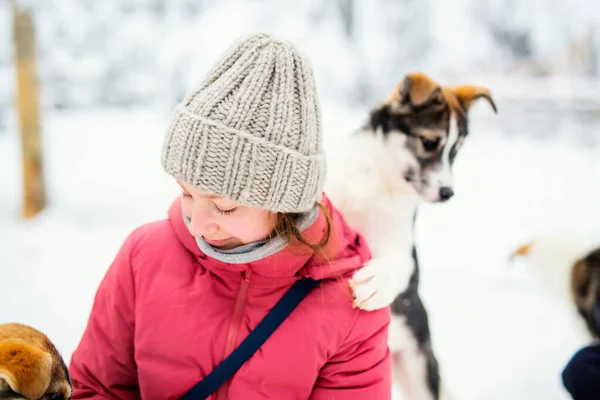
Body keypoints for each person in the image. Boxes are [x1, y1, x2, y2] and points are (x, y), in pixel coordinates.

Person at [69, 33, 392, 400]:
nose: (198, 224)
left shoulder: (352, 301)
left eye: (224, 206)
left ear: (284, 201)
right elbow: (95, 387)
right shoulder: (143, 256)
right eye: (186, 193)